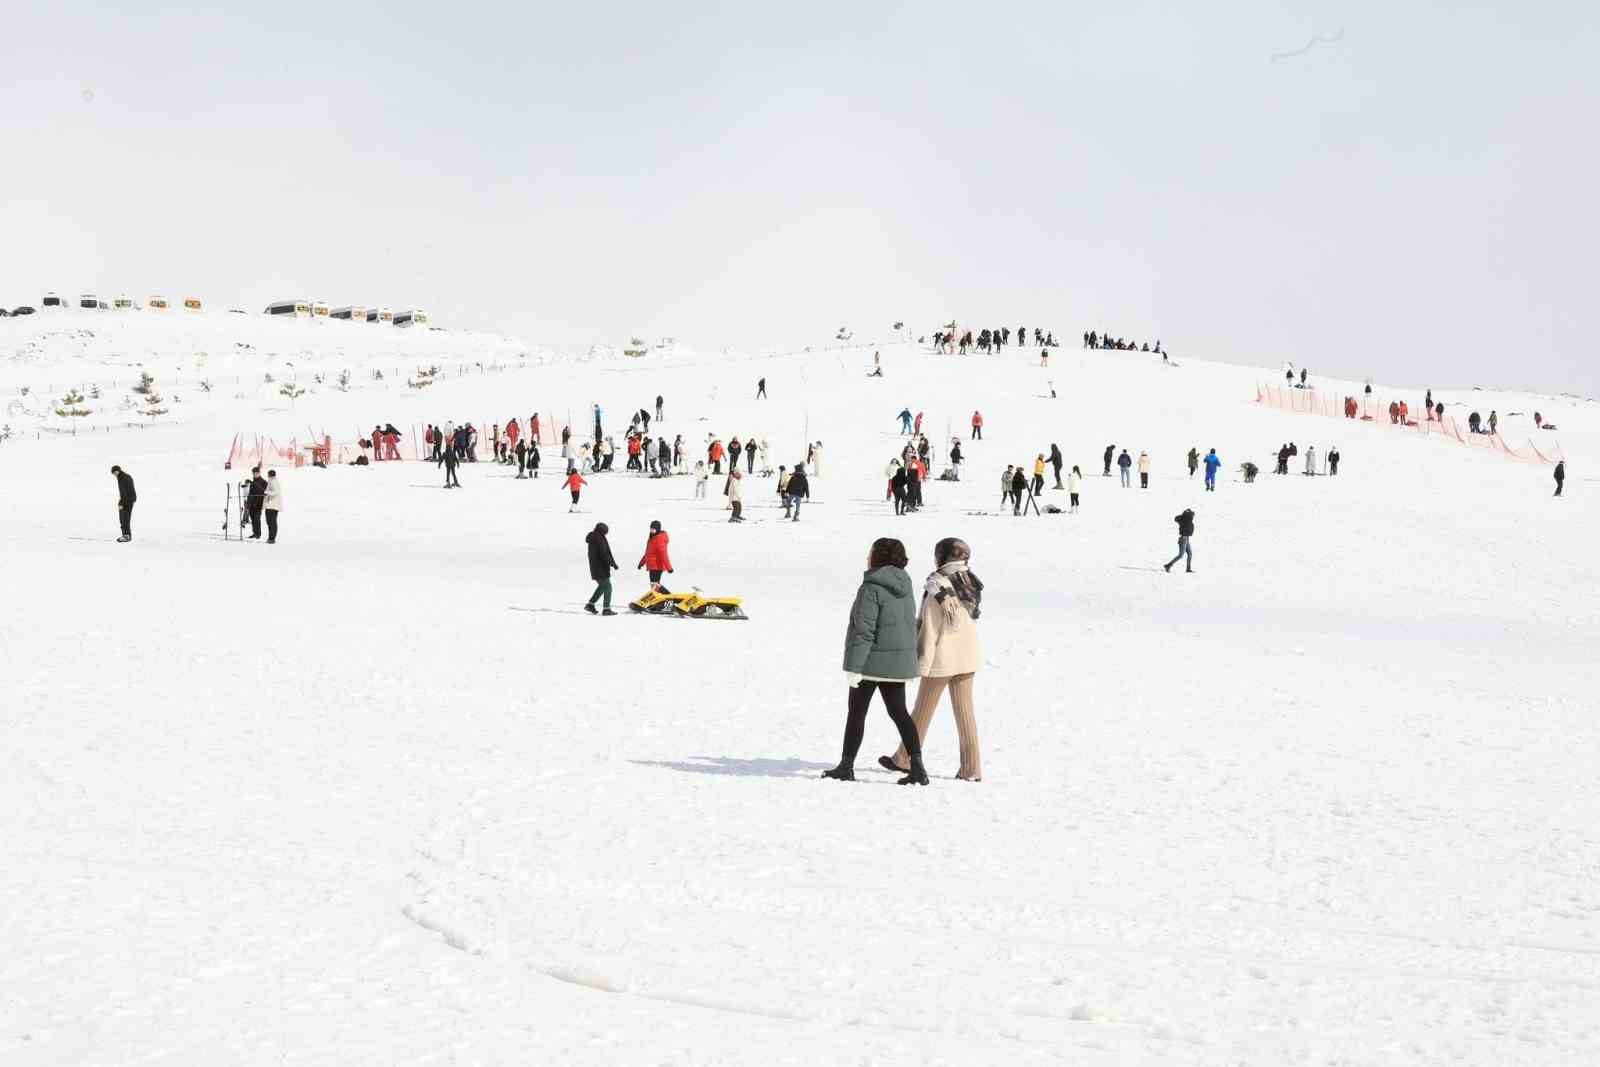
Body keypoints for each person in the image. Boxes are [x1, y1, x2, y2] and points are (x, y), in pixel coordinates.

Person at [821, 537, 928, 785]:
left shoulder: (871, 587)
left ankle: (846, 766)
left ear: (877, 556)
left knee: (857, 713)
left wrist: (854, 667)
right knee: (900, 713)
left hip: (870, 662)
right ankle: (918, 767)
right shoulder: (905, 583)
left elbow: (864, 630)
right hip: (897, 663)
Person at [880, 537, 983, 782]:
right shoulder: (969, 580)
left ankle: (904, 758)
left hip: (942, 658)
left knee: (921, 711)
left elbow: (930, 628)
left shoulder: (938, 585)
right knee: (965, 714)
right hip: (967, 655)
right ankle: (971, 769)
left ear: (942, 557)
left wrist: (921, 660)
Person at [584, 523, 619, 615]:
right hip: (600, 567)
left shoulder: (594, 537)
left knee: (602, 586)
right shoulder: (599, 538)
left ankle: (590, 604)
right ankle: (606, 609)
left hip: (595, 567)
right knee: (608, 587)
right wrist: (613, 564)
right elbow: (604, 554)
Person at [638, 520, 673, 590]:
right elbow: (648, 553)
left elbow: (664, 554)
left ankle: (664, 597)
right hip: (652, 566)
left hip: (657, 566)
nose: (652, 531)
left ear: (658, 529)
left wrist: (669, 568)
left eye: (653, 529)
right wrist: (641, 563)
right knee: (654, 585)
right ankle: (660, 598)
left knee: (655, 585)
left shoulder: (659, 539)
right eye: (651, 529)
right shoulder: (652, 537)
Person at [1164, 509, 1195, 573]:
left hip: (1186, 539)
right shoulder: (1185, 520)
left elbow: (1177, 518)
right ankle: (1168, 565)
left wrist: (1185, 513)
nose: (1193, 516)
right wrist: (1185, 514)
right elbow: (1177, 518)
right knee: (1181, 555)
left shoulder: (1186, 520)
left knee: (1190, 554)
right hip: (1183, 539)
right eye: (1191, 515)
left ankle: (1188, 569)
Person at [111, 465, 136, 542]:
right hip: (130, 499)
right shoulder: (126, 476)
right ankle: (127, 535)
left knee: (124, 518)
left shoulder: (122, 478)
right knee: (126, 518)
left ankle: (126, 536)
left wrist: (121, 503)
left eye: (114, 473)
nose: (114, 475)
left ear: (117, 471)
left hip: (127, 500)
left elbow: (124, 492)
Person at [246, 466, 267, 538]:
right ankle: (254, 532)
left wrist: (253, 483)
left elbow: (264, 491)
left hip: (258, 503)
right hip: (252, 503)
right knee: (252, 519)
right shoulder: (253, 482)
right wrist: (248, 504)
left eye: (256, 473)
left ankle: (258, 534)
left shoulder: (264, 482)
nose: (254, 474)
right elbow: (250, 493)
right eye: (253, 473)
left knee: (257, 519)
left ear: (259, 473)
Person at [263, 470, 283, 544]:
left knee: (272, 522)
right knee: (269, 522)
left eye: (268, 475)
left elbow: (276, 492)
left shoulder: (274, 482)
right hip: (270, 505)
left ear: (270, 475)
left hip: (273, 505)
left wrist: (266, 493)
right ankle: (270, 537)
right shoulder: (271, 481)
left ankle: (272, 538)